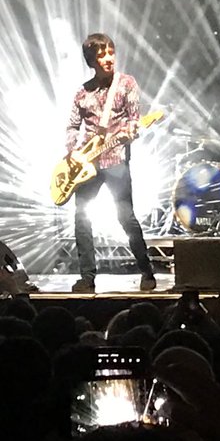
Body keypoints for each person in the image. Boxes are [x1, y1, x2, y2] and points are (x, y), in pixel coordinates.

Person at [64, 34, 156, 294]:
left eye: (111, 53)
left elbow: (134, 119)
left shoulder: (126, 84)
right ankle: (87, 277)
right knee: (82, 218)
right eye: (102, 55)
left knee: (125, 217)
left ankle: (146, 271)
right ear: (92, 61)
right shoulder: (83, 92)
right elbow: (72, 126)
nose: (108, 59)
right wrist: (73, 152)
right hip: (87, 165)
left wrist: (130, 132)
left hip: (115, 161)